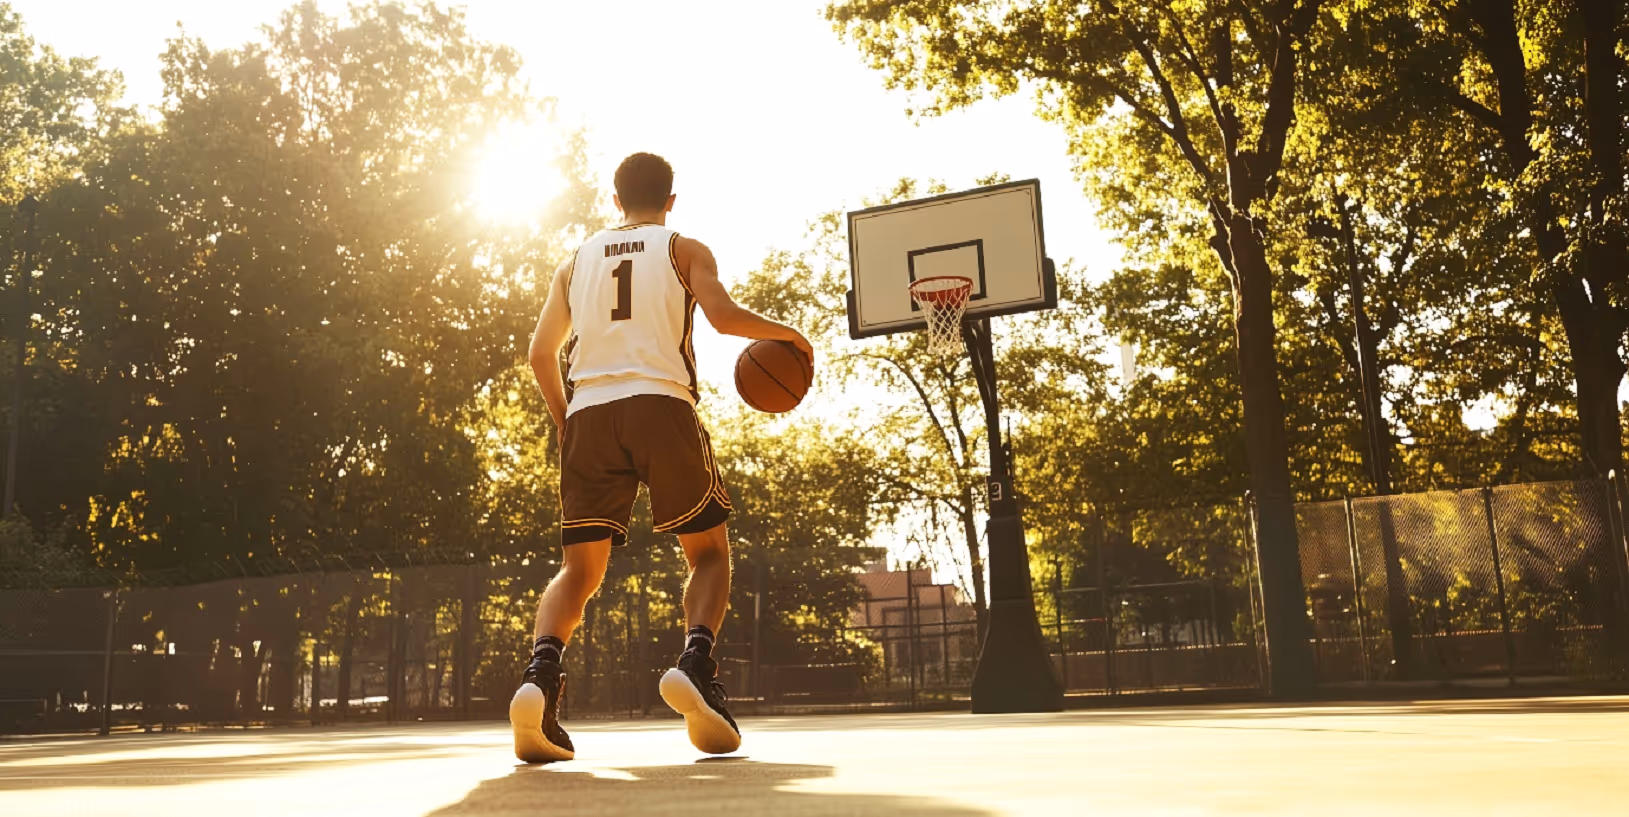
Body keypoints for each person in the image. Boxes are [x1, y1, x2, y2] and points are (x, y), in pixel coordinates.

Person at [510, 152, 812, 762]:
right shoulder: (684, 248)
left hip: (590, 412)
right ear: (671, 201)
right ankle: (695, 664)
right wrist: (790, 336)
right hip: (660, 404)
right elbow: (724, 319)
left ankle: (540, 676)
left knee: (579, 572)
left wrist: (565, 421)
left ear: (614, 200)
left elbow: (541, 353)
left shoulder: (575, 262)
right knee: (708, 553)